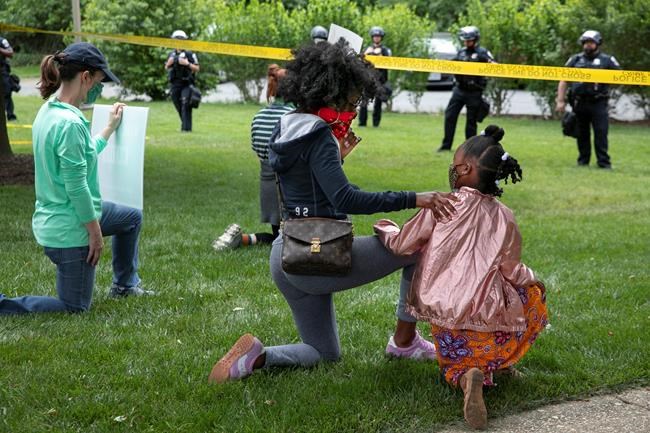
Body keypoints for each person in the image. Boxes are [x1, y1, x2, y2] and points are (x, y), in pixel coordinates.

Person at [208, 40, 459, 384]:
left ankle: (257, 356)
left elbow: (303, 182)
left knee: (324, 353)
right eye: (352, 98)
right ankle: (405, 342)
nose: (353, 107)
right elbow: (345, 198)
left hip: (287, 254)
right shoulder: (320, 136)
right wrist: (415, 197)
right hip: (317, 253)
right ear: (334, 92)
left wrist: (336, 157)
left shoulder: (285, 125)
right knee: (416, 249)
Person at [374, 125, 547, 430]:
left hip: (442, 308)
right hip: (487, 309)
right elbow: (511, 269)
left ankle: (467, 379)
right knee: (531, 297)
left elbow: (403, 244)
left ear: (465, 169)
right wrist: (534, 281)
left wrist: (386, 228)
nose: (452, 170)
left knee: (456, 359)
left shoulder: (442, 204)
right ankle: (500, 364)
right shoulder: (504, 215)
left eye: (454, 164)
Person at [0, 42, 153, 315]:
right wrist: (94, 234)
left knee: (131, 218)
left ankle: (125, 285)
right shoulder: (70, 124)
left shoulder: (49, 111)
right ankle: (4, 305)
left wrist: (108, 129)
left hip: (63, 217)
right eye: (99, 81)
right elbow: (77, 186)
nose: (100, 87)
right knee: (75, 306)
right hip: (70, 230)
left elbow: (84, 155)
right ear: (85, 77)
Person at [213, 64, 293, 251]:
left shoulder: (259, 116)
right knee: (295, 238)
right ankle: (242, 239)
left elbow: (257, 149)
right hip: (290, 186)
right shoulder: (294, 116)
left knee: (279, 236)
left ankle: (241, 239)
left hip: (267, 184)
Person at [555, 30, 621, 169]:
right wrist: (560, 100)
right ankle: (583, 161)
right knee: (582, 133)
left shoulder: (607, 60)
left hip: (599, 102)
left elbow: (621, 76)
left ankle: (604, 163)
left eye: (591, 43)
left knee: (601, 132)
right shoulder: (575, 59)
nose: (587, 45)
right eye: (585, 43)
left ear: (597, 43)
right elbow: (563, 79)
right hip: (580, 102)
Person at [437, 26, 495, 152]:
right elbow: (453, 65)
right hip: (459, 90)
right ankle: (446, 146)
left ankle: (470, 149)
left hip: (474, 91)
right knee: (450, 116)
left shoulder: (482, 52)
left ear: (475, 40)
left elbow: (494, 66)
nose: (466, 42)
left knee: (471, 122)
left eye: (469, 40)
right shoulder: (461, 52)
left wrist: (490, 65)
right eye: (464, 40)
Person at [165, 30, 200, 132]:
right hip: (175, 84)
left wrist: (187, 63)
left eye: (180, 39)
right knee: (178, 104)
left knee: (186, 104)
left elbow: (197, 68)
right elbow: (166, 67)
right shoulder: (171, 54)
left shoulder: (189, 54)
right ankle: (184, 125)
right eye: (176, 39)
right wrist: (168, 63)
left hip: (187, 83)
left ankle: (186, 129)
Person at [359, 26, 391, 128]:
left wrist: (379, 54)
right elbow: (361, 61)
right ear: (372, 37)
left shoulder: (385, 50)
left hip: (380, 80)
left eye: (378, 36)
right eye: (375, 36)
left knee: (378, 103)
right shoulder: (367, 49)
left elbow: (389, 62)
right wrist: (368, 53)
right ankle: (362, 123)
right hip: (368, 79)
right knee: (364, 102)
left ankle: (376, 123)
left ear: (381, 38)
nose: (376, 38)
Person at [0, 34, 16, 121]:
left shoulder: (2, 41)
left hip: (2, 71)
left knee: (7, 92)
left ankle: (10, 115)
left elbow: (10, 53)